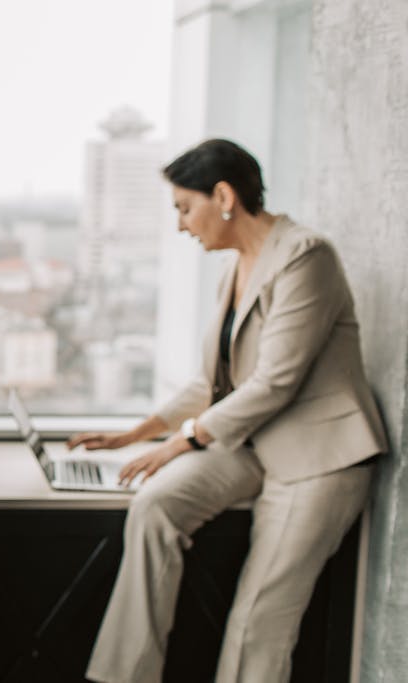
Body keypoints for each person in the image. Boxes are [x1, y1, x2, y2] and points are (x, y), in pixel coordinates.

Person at [73, 138, 387, 683]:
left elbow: (275, 382)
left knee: (258, 622)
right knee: (154, 506)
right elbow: (214, 381)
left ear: (223, 195)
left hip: (318, 461)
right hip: (258, 445)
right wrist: (138, 433)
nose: (180, 225)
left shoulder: (306, 256)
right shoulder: (236, 269)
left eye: (183, 208)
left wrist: (183, 441)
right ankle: (125, 676)